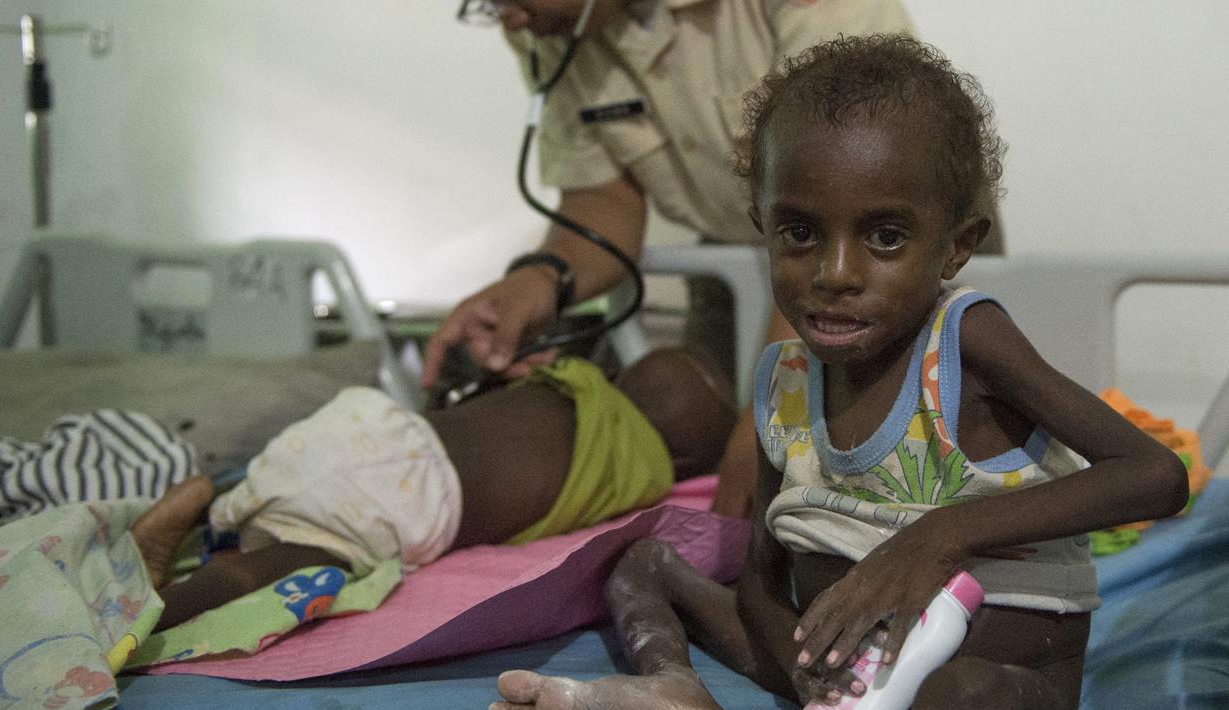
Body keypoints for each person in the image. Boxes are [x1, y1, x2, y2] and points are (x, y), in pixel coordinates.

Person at [491, 35, 1189, 709]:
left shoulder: (964, 343)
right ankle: (674, 684)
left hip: (989, 671)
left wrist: (935, 538)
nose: (835, 274)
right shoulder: (780, 379)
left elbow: (1154, 475)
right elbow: (764, 576)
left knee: (958, 696)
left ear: (955, 247)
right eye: (798, 232)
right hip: (833, 663)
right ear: (761, 224)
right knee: (637, 561)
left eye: (885, 237)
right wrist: (809, 679)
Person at [424, 0, 941, 520]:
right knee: (701, 426)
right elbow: (603, 201)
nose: (511, 20)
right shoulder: (554, 27)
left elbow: (848, 192)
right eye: (488, 6)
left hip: (885, 250)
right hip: (739, 257)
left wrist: (775, 411)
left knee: (876, 466)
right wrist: (541, 278)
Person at [130, 347, 737, 632]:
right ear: (681, 460)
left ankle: (207, 504)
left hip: (376, 428)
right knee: (289, 564)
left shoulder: (571, 380)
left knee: (278, 483)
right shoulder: (636, 469)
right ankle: (156, 612)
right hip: (405, 496)